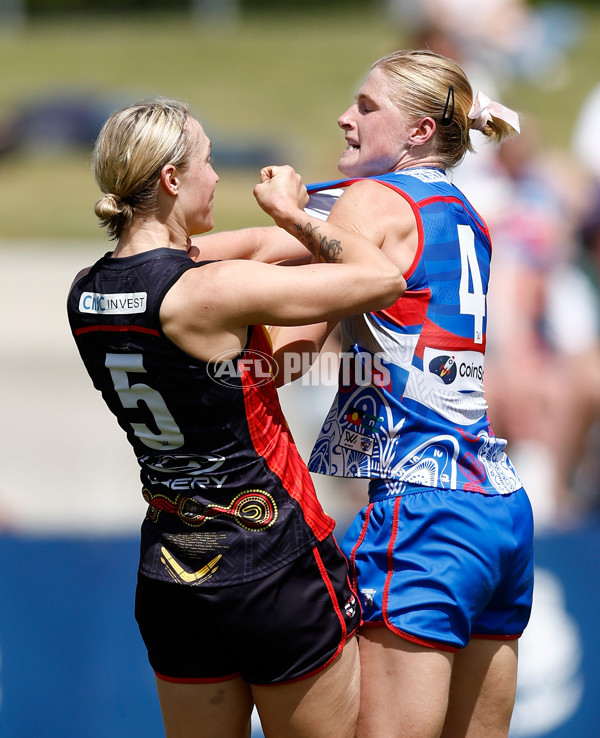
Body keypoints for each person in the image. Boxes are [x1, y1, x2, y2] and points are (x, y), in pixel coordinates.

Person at [66, 98, 405, 738]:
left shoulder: (85, 290)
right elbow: (380, 278)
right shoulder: (212, 289)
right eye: (209, 161)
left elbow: (242, 353)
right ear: (171, 179)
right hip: (275, 557)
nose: (218, 177)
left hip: (171, 568)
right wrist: (295, 213)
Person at [258, 50, 534, 738]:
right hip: (498, 505)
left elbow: (294, 354)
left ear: (416, 132)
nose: (345, 118)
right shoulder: (464, 210)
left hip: (422, 507)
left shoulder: (371, 202)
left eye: (367, 107)